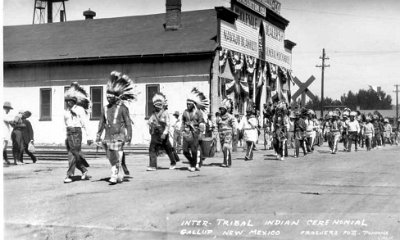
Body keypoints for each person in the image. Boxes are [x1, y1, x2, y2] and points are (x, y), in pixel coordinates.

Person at [96, 72, 135, 183]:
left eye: (110, 96)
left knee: (117, 154)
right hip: (108, 136)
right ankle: (119, 171)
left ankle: (114, 174)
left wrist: (129, 135)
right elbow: (101, 122)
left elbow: (128, 123)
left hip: (119, 135)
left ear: (116, 96)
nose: (108, 98)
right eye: (107, 96)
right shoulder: (105, 108)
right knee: (111, 156)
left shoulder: (123, 108)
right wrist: (98, 135)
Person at [64, 82, 93, 183]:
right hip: (69, 132)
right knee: (72, 154)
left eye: (70, 101)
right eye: (67, 101)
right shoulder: (66, 111)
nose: (68, 103)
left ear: (74, 101)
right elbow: (66, 123)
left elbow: (85, 123)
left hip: (77, 132)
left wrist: (89, 136)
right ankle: (83, 169)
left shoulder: (79, 109)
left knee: (73, 153)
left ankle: (69, 175)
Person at [145, 92, 178, 171]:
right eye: (155, 106)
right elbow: (149, 122)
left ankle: (173, 162)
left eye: (158, 105)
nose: (157, 107)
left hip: (163, 134)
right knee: (152, 148)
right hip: (155, 134)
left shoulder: (165, 113)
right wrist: (151, 125)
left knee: (168, 149)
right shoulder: (153, 114)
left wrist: (164, 133)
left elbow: (168, 124)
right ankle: (153, 165)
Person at [181, 88, 208, 171]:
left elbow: (201, 123)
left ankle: (193, 165)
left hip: (195, 133)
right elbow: (183, 122)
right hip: (186, 133)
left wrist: (201, 133)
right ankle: (193, 162)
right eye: (187, 104)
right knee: (185, 151)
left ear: (193, 104)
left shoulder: (198, 113)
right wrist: (182, 130)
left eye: (189, 104)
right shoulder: (185, 112)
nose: (187, 105)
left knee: (194, 150)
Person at [216, 98, 236, 167]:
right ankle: (225, 160)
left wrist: (235, 132)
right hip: (221, 134)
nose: (221, 110)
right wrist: (215, 133)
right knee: (223, 149)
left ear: (226, 109)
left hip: (228, 133)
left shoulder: (230, 117)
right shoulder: (218, 118)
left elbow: (234, 125)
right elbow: (216, 125)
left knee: (226, 147)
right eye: (220, 109)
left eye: (223, 109)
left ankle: (227, 163)